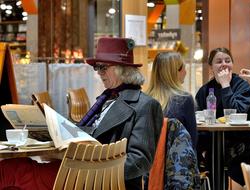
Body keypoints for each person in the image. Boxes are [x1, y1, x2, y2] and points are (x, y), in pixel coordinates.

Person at [0, 37, 163, 190]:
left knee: (10, 171)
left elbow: (140, 161)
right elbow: (87, 136)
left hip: (100, 179)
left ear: (123, 70)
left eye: (103, 67)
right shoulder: (107, 98)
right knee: (14, 168)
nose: (99, 73)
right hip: (79, 169)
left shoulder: (146, 105)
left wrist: (90, 166)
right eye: (96, 67)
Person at [195, 47, 250, 186]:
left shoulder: (242, 86)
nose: (224, 64)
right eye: (218, 61)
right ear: (211, 67)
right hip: (213, 143)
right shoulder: (205, 90)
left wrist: (226, 85)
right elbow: (199, 115)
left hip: (242, 142)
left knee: (220, 158)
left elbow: (236, 113)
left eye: (228, 61)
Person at [146, 52, 197, 148]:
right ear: (175, 72)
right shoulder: (185, 99)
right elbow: (192, 140)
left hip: (150, 161)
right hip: (177, 161)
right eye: (183, 68)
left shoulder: (144, 99)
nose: (185, 72)